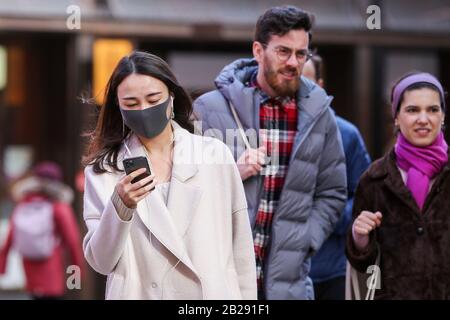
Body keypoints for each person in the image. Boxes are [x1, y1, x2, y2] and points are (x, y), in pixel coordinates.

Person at [193, 6, 347, 300]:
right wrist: (231, 174)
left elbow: (333, 192)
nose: (293, 62)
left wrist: (305, 239)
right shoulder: (209, 109)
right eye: (283, 51)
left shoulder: (320, 116)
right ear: (258, 50)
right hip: (222, 284)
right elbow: (183, 189)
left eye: (301, 54)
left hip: (289, 286)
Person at [82, 51, 257, 300]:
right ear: (118, 108)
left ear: (171, 98)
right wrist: (120, 206)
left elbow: (241, 249)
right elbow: (100, 262)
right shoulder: (104, 170)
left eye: (153, 99)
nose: (143, 110)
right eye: (131, 104)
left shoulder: (214, 155)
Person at [346, 72, 449, 299]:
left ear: (443, 116)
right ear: (396, 117)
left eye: (433, 109)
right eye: (412, 110)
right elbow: (365, 266)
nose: (424, 119)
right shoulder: (374, 179)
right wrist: (360, 238)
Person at [302, 54, 371, 300]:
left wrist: (325, 215)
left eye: (305, 79)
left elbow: (366, 197)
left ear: (319, 85)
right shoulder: (269, 129)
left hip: (333, 269)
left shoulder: (347, 134)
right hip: (282, 269)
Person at [0, 161, 84, 300]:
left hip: (29, 271)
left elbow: (9, 238)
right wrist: (77, 273)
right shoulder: (59, 207)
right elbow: (72, 241)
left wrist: (2, 267)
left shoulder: (23, 205)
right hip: (52, 272)